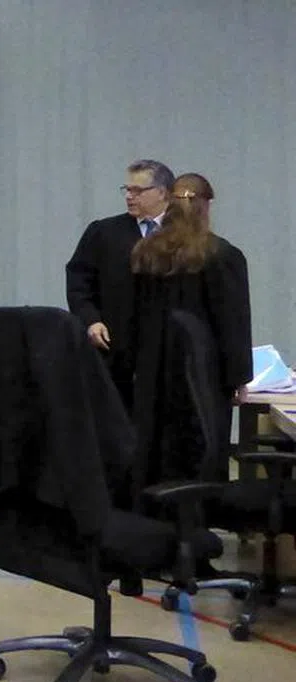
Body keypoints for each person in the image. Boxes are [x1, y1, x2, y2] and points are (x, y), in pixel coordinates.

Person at [129, 172, 252, 494]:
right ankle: (198, 515)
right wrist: (239, 377)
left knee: (155, 443)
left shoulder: (146, 251)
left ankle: (156, 514)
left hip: (153, 369)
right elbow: (232, 322)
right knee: (200, 442)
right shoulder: (222, 255)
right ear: (206, 206)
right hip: (202, 374)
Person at [67, 159, 174, 411]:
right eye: (127, 190)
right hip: (115, 349)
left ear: (162, 192)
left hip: (166, 354)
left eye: (138, 191)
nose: (129, 197)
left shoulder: (181, 237)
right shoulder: (104, 233)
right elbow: (79, 281)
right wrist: (90, 320)